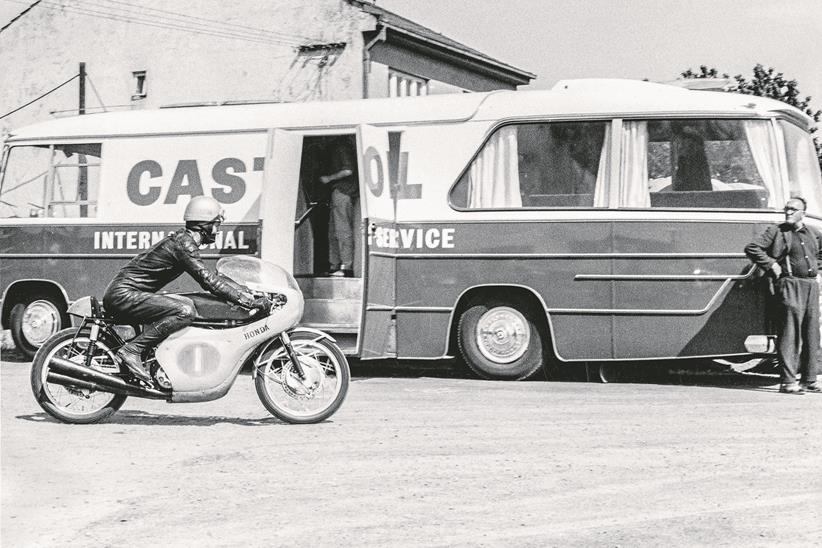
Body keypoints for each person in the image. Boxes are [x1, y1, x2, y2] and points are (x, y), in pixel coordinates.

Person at [103, 196, 270, 382]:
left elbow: (214, 278)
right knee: (185, 311)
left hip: (125, 294)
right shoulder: (184, 244)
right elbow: (208, 281)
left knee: (186, 303)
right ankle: (132, 350)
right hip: (124, 295)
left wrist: (245, 292)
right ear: (204, 225)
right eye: (215, 225)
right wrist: (248, 302)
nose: (217, 230)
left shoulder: (182, 241)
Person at [745, 196, 822, 394]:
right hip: (789, 285)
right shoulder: (776, 231)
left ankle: (809, 380)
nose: (788, 212)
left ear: (802, 213)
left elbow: (819, 254)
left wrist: (816, 271)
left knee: (812, 334)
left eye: (793, 209)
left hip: (811, 286)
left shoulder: (813, 233)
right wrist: (772, 264)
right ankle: (788, 382)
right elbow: (753, 248)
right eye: (786, 208)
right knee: (789, 333)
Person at [319, 137, 358, 277]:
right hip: (342, 191)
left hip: (342, 191)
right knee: (335, 230)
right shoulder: (344, 146)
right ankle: (336, 265)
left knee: (342, 230)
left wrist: (329, 178)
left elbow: (348, 170)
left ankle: (345, 266)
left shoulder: (340, 147)